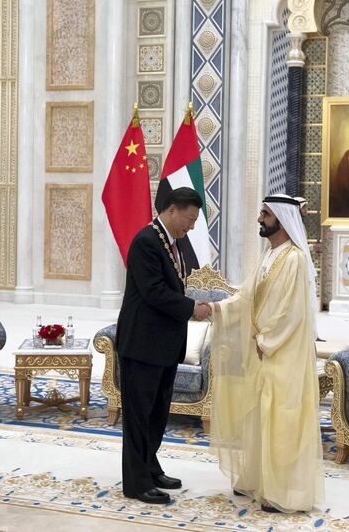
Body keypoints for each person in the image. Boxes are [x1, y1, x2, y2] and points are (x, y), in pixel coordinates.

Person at [208, 194, 324, 513]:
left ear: (282, 220)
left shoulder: (295, 259)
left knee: (283, 419)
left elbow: (293, 313)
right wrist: (213, 309)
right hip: (264, 351)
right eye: (261, 213)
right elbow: (245, 298)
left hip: (283, 353)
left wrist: (266, 342)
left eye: (265, 214)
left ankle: (283, 492)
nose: (260, 219)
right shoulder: (268, 255)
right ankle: (258, 480)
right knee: (260, 415)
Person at [115, 187, 211, 504]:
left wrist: (187, 305)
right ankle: (136, 482)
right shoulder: (145, 241)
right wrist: (190, 308)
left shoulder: (171, 241)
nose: (192, 226)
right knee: (139, 416)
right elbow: (154, 292)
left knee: (157, 415)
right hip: (142, 345)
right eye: (190, 218)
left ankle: (150, 467)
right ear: (172, 210)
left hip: (164, 346)